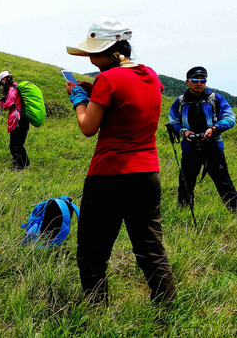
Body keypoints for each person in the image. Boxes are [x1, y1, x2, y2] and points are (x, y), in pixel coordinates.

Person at [65, 17, 175, 306]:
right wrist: (97, 94)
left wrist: (79, 99)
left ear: (111, 50)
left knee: (93, 249)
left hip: (109, 175)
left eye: (94, 52)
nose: (90, 57)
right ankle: (168, 307)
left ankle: (96, 308)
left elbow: (88, 127)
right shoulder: (150, 75)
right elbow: (129, 105)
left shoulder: (107, 79)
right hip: (147, 173)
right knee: (150, 247)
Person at [168, 67, 237, 211]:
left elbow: (230, 119)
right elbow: (173, 121)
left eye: (202, 80)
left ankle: (234, 212)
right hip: (189, 147)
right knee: (186, 185)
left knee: (224, 184)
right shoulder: (181, 101)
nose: (199, 83)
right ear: (187, 82)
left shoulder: (216, 98)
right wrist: (183, 131)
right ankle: (184, 213)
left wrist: (214, 128)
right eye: (195, 80)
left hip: (213, 147)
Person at [0, 71, 29, 169]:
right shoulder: (16, 88)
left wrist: (2, 103)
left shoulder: (11, 90)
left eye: (1, 82)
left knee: (14, 145)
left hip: (17, 120)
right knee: (19, 144)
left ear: (5, 79)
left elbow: (8, 105)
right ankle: (26, 163)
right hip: (23, 119)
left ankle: (18, 167)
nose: (2, 84)